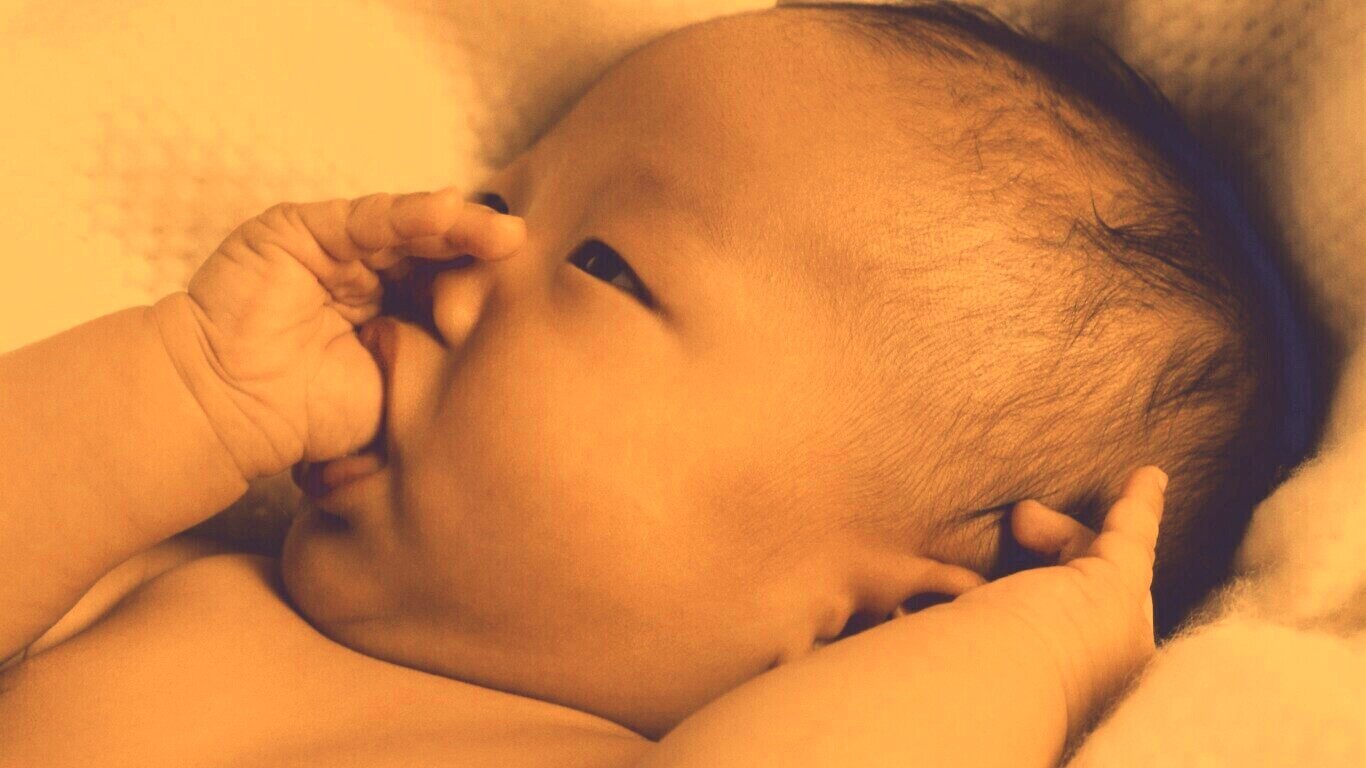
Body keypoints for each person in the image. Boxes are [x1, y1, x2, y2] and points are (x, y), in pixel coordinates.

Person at [0, 2, 1307, 765]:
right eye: (494, 197)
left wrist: (1033, 655)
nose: (457, 250)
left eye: (603, 264)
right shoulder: (171, 586)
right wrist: (192, 385)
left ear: (889, 624)